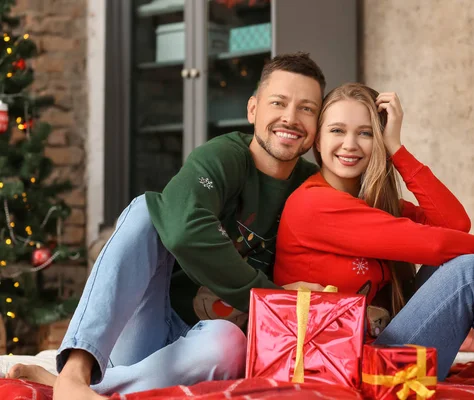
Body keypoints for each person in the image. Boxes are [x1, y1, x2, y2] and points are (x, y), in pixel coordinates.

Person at [7, 52, 327, 399]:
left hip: (201, 349)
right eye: (278, 102)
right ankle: (74, 371)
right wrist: (273, 297)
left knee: (231, 342)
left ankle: (79, 387)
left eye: (307, 109)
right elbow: (183, 230)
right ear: (253, 110)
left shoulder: (314, 186)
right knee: (147, 210)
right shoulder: (224, 157)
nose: (291, 118)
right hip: (148, 326)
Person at [274, 82, 474, 390]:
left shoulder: (373, 206)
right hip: (347, 370)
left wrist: (397, 148)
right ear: (317, 141)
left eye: (366, 133)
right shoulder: (314, 204)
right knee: (469, 272)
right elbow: (438, 243)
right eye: (337, 131)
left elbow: (454, 225)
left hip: (377, 360)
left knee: (458, 261)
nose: (350, 144)